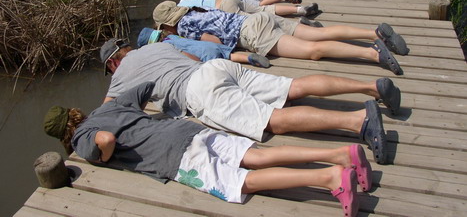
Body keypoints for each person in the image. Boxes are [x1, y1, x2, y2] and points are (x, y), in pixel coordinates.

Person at [43, 82, 372, 217]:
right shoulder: (104, 110)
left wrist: (105, 151)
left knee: (242, 181)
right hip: (185, 129)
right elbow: (144, 89)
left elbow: (104, 141)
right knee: (254, 156)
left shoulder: (83, 138)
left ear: (64, 136)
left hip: (175, 158)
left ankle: (330, 178)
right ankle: (339, 155)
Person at [101, 39, 402, 164]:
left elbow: (105, 114)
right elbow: (191, 58)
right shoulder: (156, 45)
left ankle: (358, 121)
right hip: (215, 69)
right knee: (293, 87)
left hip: (200, 91)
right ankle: (371, 86)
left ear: (114, 63)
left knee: (275, 120)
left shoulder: (119, 76)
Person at [153, 1, 409, 75]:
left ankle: (373, 54)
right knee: (318, 34)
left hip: (253, 34)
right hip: (256, 20)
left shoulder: (185, 28)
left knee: (312, 51)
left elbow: (216, 44)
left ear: (167, 24)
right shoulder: (198, 8)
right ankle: (374, 34)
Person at [137, 27, 270, 68]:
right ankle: (249, 58)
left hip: (204, 57)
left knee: (223, 65)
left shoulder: (165, 47)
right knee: (230, 55)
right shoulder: (173, 37)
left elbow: (183, 54)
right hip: (209, 46)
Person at [180, 0, 321, 23]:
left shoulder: (182, 11)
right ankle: (300, 10)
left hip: (224, 9)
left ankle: (296, 24)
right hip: (228, 0)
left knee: (257, 18)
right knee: (264, 9)